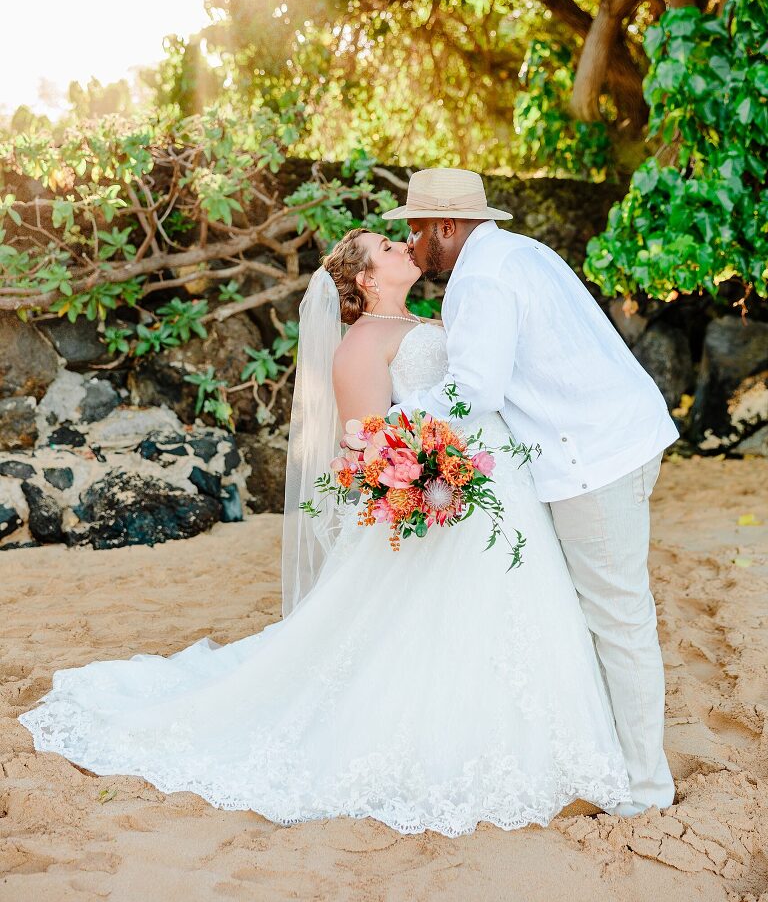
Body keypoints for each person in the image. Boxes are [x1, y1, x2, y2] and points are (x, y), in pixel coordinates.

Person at [19, 210, 633, 836]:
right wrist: (424, 480)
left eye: (400, 238)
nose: (405, 245)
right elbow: (370, 445)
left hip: (489, 488)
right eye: (387, 245)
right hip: (441, 493)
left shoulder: (431, 319)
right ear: (365, 280)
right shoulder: (361, 343)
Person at [382, 166, 679, 817]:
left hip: (593, 457)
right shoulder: (518, 254)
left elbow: (473, 391)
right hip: (614, 438)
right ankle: (619, 764)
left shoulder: (483, 277)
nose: (410, 242)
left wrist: (395, 424)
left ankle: (646, 791)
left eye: (416, 229)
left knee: (620, 620)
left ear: (447, 226)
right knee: (607, 615)